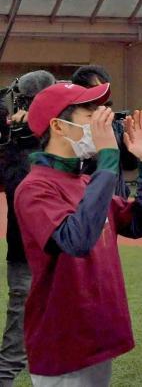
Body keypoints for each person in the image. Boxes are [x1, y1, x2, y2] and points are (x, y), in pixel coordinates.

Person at [14, 83, 142, 386]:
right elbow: (75, 241)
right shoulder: (35, 188)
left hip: (95, 335)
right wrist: (107, 160)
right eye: (89, 113)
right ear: (58, 125)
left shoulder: (84, 181)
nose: (101, 120)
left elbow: (140, 223)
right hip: (63, 343)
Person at [0, 70, 55, 387]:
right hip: (26, 249)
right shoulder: (14, 142)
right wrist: (14, 147)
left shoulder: (63, 135)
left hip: (63, 247)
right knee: (21, 310)